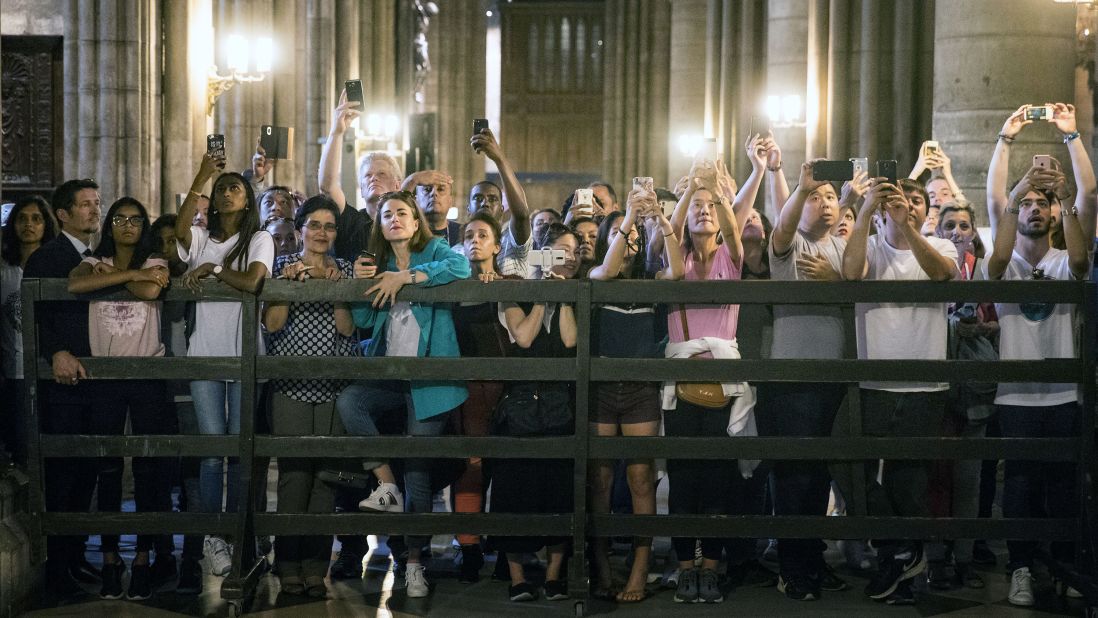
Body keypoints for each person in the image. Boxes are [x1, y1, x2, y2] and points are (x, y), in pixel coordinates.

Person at [985, 102, 1096, 607]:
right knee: (1022, 484)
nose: (1034, 208)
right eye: (1026, 203)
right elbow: (999, 255)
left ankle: (1063, 565)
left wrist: (1067, 199)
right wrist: (1009, 154)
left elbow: (1078, 259)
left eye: (1041, 203)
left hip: (1063, 391)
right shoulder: (1006, 261)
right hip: (1017, 394)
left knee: (1063, 483)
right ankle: (1023, 566)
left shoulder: (1060, 253)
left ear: (1053, 213)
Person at [336, 190, 469, 598]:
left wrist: (407, 278)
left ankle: (413, 563)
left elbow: (461, 267)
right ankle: (385, 484)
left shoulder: (436, 249)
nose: (394, 218)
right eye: (386, 213)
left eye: (402, 213)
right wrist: (361, 282)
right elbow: (362, 318)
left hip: (429, 377)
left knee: (419, 469)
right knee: (351, 401)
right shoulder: (379, 261)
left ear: (416, 222)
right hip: (391, 374)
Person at [841, 176, 958, 606]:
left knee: (908, 481)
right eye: (899, 198)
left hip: (924, 381)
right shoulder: (869, 245)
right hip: (871, 381)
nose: (906, 205)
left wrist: (906, 225)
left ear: (926, 211)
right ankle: (900, 548)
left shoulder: (941, 245)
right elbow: (852, 273)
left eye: (916, 201)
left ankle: (900, 567)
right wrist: (868, 210)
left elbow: (942, 274)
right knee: (847, 463)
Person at [759, 161, 866, 601]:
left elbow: (857, 276)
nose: (823, 203)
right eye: (814, 197)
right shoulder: (789, 245)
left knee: (819, 471)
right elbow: (782, 229)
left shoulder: (842, 247)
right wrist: (800, 189)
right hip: (793, 374)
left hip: (833, 374)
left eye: (828, 196)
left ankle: (812, 557)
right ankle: (792, 565)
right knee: (794, 475)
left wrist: (853, 203)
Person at [67, 196, 176, 601]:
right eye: (119, 218)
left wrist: (113, 274)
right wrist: (125, 274)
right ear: (110, 224)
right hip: (105, 374)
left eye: (135, 219)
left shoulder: (154, 260)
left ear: (143, 225)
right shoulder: (92, 260)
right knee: (108, 466)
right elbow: (77, 283)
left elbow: (150, 292)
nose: (127, 225)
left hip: (147, 371)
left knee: (148, 467)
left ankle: (144, 557)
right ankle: (112, 558)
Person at [662, 155, 757, 605]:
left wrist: (716, 191)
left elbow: (735, 228)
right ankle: (685, 569)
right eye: (695, 206)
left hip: (722, 380)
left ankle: (712, 568)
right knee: (684, 478)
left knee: (718, 478)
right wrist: (691, 191)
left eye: (711, 207)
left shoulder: (731, 256)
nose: (703, 210)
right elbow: (673, 224)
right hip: (681, 378)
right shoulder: (674, 256)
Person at [175, 154, 274, 579]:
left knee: (240, 450)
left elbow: (253, 280)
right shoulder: (200, 237)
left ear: (248, 199)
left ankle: (240, 533)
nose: (227, 192)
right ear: (212, 201)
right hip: (206, 353)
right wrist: (202, 174)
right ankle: (215, 536)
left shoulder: (259, 238)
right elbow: (179, 234)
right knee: (214, 451)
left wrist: (215, 269)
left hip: (246, 352)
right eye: (222, 189)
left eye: (236, 187)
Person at [587, 187, 683, 603]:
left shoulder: (650, 280)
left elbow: (676, 271)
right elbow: (607, 272)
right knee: (600, 478)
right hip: (603, 387)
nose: (629, 242)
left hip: (641, 388)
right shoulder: (597, 276)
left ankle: (639, 570)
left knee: (640, 477)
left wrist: (659, 220)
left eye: (633, 237)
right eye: (620, 235)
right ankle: (602, 566)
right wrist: (626, 219)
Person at [263, 196, 359, 598]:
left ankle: (316, 568)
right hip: (292, 383)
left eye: (329, 226)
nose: (322, 233)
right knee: (294, 476)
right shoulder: (282, 268)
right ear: (300, 229)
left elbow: (349, 330)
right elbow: (273, 324)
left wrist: (337, 290)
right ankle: (287, 565)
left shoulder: (348, 269)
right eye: (314, 225)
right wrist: (289, 286)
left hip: (336, 383)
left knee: (326, 480)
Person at [24, 178, 105, 600]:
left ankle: (74, 556)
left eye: (97, 203)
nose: (95, 210)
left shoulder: (97, 255)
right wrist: (56, 350)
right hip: (63, 380)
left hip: (92, 377)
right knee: (64, 475)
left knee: (86, 473)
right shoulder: (47, 257)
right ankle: (58, 569)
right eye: (86, 205)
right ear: (63, 214)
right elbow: (41, 312)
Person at [490, 222, 579, 603]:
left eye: (572, 252)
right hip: (520, 407)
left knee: (558, 490)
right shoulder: (514, 290)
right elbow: (523, 337)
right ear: (540, 253)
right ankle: (518, 576)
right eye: (558, 250)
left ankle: (555, 574)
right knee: (514, 491)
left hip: (559, 407)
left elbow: (570, 341)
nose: (567, 258)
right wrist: (542, 292)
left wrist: (564, 297)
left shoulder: (574, 293)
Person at [921, 200, 998, 591]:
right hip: (938, 385)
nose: (956, 231)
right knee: (937, 477)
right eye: (948, 225)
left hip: (976, 385)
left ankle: (965, 557)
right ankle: (935, 557)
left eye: (964, 225)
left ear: (973, 233)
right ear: (938, 233)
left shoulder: (985, 273)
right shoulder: (930, 269)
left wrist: (984, 328)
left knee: (969, 478)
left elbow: (1002, 321)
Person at [450, 210, 518, 583]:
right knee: (471, 465)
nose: (475, 241)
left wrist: (499, 290)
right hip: (469, 383)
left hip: (506, 384)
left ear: (496, 244)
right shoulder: (453, 284)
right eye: (470, 235)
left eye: (483, 235)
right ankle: (468, 545)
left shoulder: (508, 281)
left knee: (507, 465)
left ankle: (508, 547)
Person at [1, 195, 56, 465]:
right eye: (22, 219)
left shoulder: (55, 268)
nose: (29, 225)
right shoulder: (4, 271)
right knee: (21, 445)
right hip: (14, 371)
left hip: (49, 367)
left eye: (36, 219)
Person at [318, 88, 404, 260]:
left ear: (397, 184)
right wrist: (336, 132)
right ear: (362, 189)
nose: (374, 178)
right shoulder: (352, 222)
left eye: (382, 174)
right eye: (368, 176)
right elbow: (327, 186)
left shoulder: (406, 224)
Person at [464, 127, 533, 277]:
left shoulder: (512, 242)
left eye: (492, 199)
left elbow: (521, 215)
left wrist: (499, 158)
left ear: (502, 210)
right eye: (478, 198)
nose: (485, 204)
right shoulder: (459, 249)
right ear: (468, 209)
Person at [402, 168, 459, 245]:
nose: (434, 193)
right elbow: (394, 207)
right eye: (427, 189)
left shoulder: (464, 233)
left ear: (450, 200)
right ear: (416, 200)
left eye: (441, 189)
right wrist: (412, 180)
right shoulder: (406, 232)